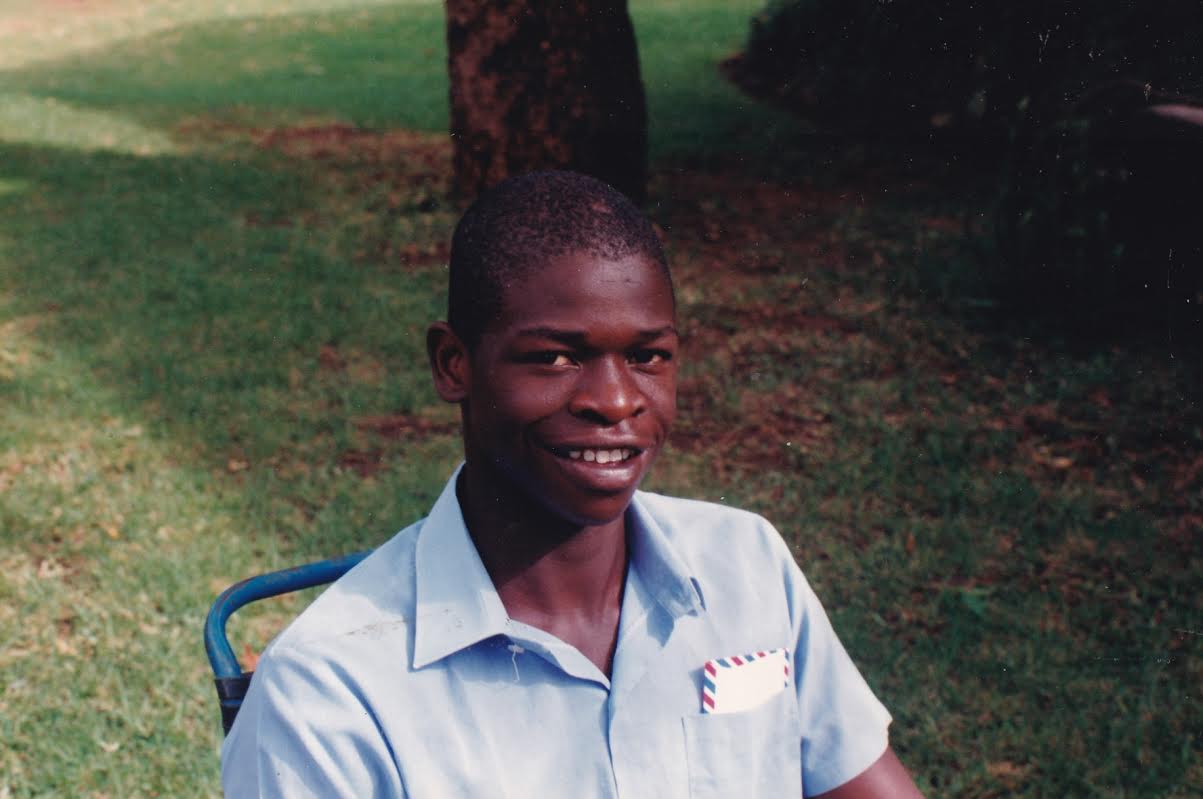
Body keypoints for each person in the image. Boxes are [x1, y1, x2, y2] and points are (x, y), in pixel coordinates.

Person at [221, 171, 923, 798]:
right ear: (452, 364)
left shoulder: (745, 563)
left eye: (648, 355)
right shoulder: (328, 689)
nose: (616, 400)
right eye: (555, 356)